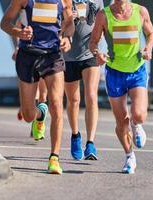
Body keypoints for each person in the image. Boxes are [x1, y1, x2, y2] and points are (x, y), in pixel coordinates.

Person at [1, 0, 74, 175]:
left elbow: (70, 22)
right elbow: (4, 23)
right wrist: (18, 32)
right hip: (28, 57)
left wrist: (67, 37)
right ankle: (40, 113)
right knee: (27, 115)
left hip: (53, 56)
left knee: (57, 103)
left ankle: (54, 158)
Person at [89, 0, 153, 174]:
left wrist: (148, 48)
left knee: (139, 115)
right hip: (115, 72)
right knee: (121, 122)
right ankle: (129, 156)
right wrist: (98, 54)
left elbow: (151, 34)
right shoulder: (104, 15)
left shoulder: (140, 11)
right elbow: (93, 42)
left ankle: (136, 124)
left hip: (136, 70)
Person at [63, 0, 103, 160]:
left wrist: (102, 50)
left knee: (92, 96)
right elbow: (53, 25)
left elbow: (103, 23)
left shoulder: (97, 1)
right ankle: (75, 136)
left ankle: (91, 143)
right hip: (68, 57)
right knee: (73, 100)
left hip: (90, 54)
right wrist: (67, 20)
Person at [12, 19, 48, 140]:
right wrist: (18, 47)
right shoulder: (26, 11)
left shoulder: (51, 7)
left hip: (47, 54)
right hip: (29, 56)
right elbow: (16, 27)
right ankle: (31, 113)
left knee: (43, 95)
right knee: (34, 94)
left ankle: (39, 123)